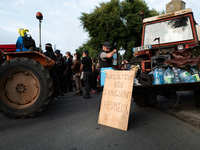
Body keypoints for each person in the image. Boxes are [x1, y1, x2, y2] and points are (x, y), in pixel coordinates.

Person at [98, 41, 117, 109]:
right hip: (104, 75)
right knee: (104, 91)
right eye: (107, 48)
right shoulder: (102, 53)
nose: (108, 50)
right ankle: (101, 106)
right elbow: (109, 55)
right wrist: (114, 51)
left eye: (109, 49)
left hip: (108, 74)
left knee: (108, 91)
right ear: (103, 47)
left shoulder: (106, 52)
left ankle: (107, 106)